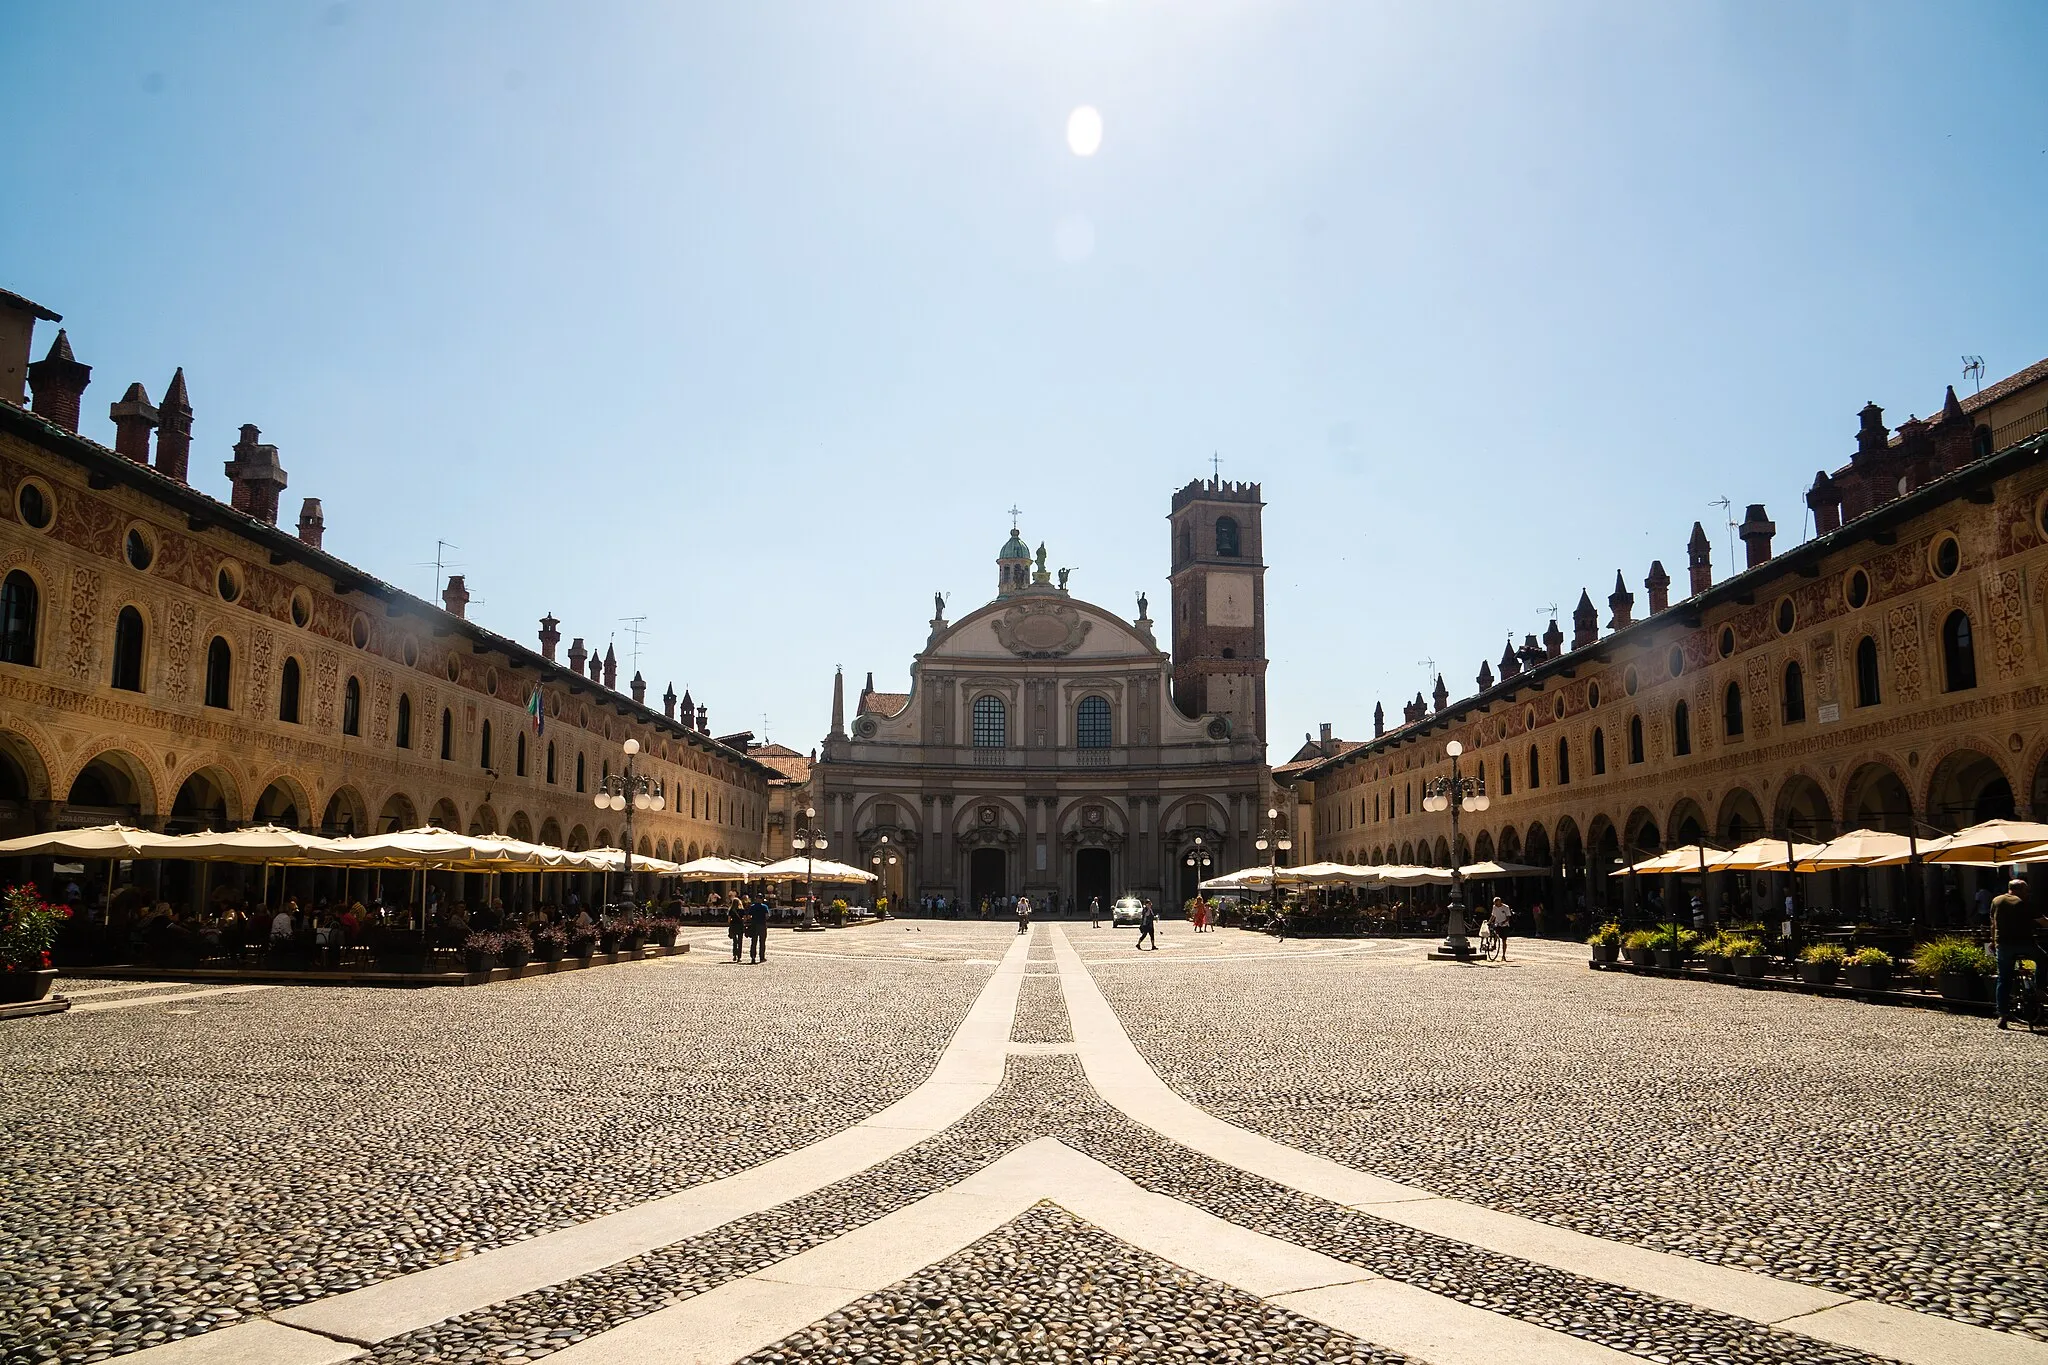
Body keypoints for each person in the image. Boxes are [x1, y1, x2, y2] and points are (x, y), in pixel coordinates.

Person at [1992, 878, 2037, 1029]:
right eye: (2026, 890)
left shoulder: (1997, 901)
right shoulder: (2022, 903)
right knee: (2043, 960)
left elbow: (1993, 924)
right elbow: (2041, 920)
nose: (2027, 893)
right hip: (2024, 944)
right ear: (2018, 890)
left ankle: (2002, 1015)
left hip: (2003, 945)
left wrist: (1993, 942)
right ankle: (2039, 986)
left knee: (2004, 979)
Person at [1489, 897, 1514, 961]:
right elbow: (1493, 915)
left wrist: (1504, 922)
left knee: (1504, 941)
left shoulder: (1506, 907)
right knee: (1494, 933)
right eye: (1494, 903)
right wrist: (1489, 922)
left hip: (1504, 925)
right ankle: (1494, 945)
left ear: (1499, 902)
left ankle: (1503, 955)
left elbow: (1508, 917)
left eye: (1496, 903)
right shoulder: (1494, 907)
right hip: (1497, 924)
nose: (1495, 905)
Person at [748, 892, 769, 964]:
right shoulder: (764, 907)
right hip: (762, 925)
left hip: (754, 925)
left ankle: (753, 957)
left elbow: (749, 916)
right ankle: (761, 957)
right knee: (762, 942)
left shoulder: (752, 906)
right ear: (762, 899)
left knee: (753, 942)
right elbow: (767, 916)